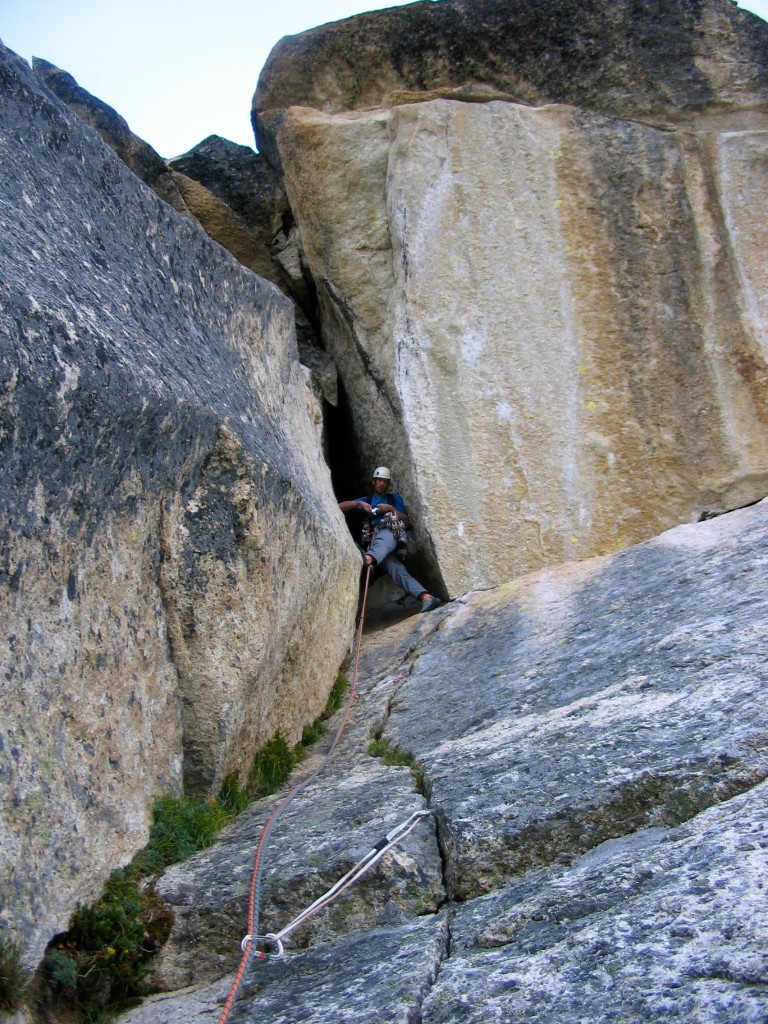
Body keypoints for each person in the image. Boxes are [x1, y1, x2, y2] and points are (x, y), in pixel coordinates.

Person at [339, 466, 441, 614]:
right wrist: (359, 504)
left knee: (387, 528)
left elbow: (406, 523)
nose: (381, 484)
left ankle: (368, 558)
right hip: (378, 547)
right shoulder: (367, 500)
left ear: (388, 484)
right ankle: (426, 597)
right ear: (374, 481)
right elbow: (340, 507)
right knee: (396, 569)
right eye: (379, 480)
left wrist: (390, 509)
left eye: (385, 481)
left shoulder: (394, 499)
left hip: (396, 537)